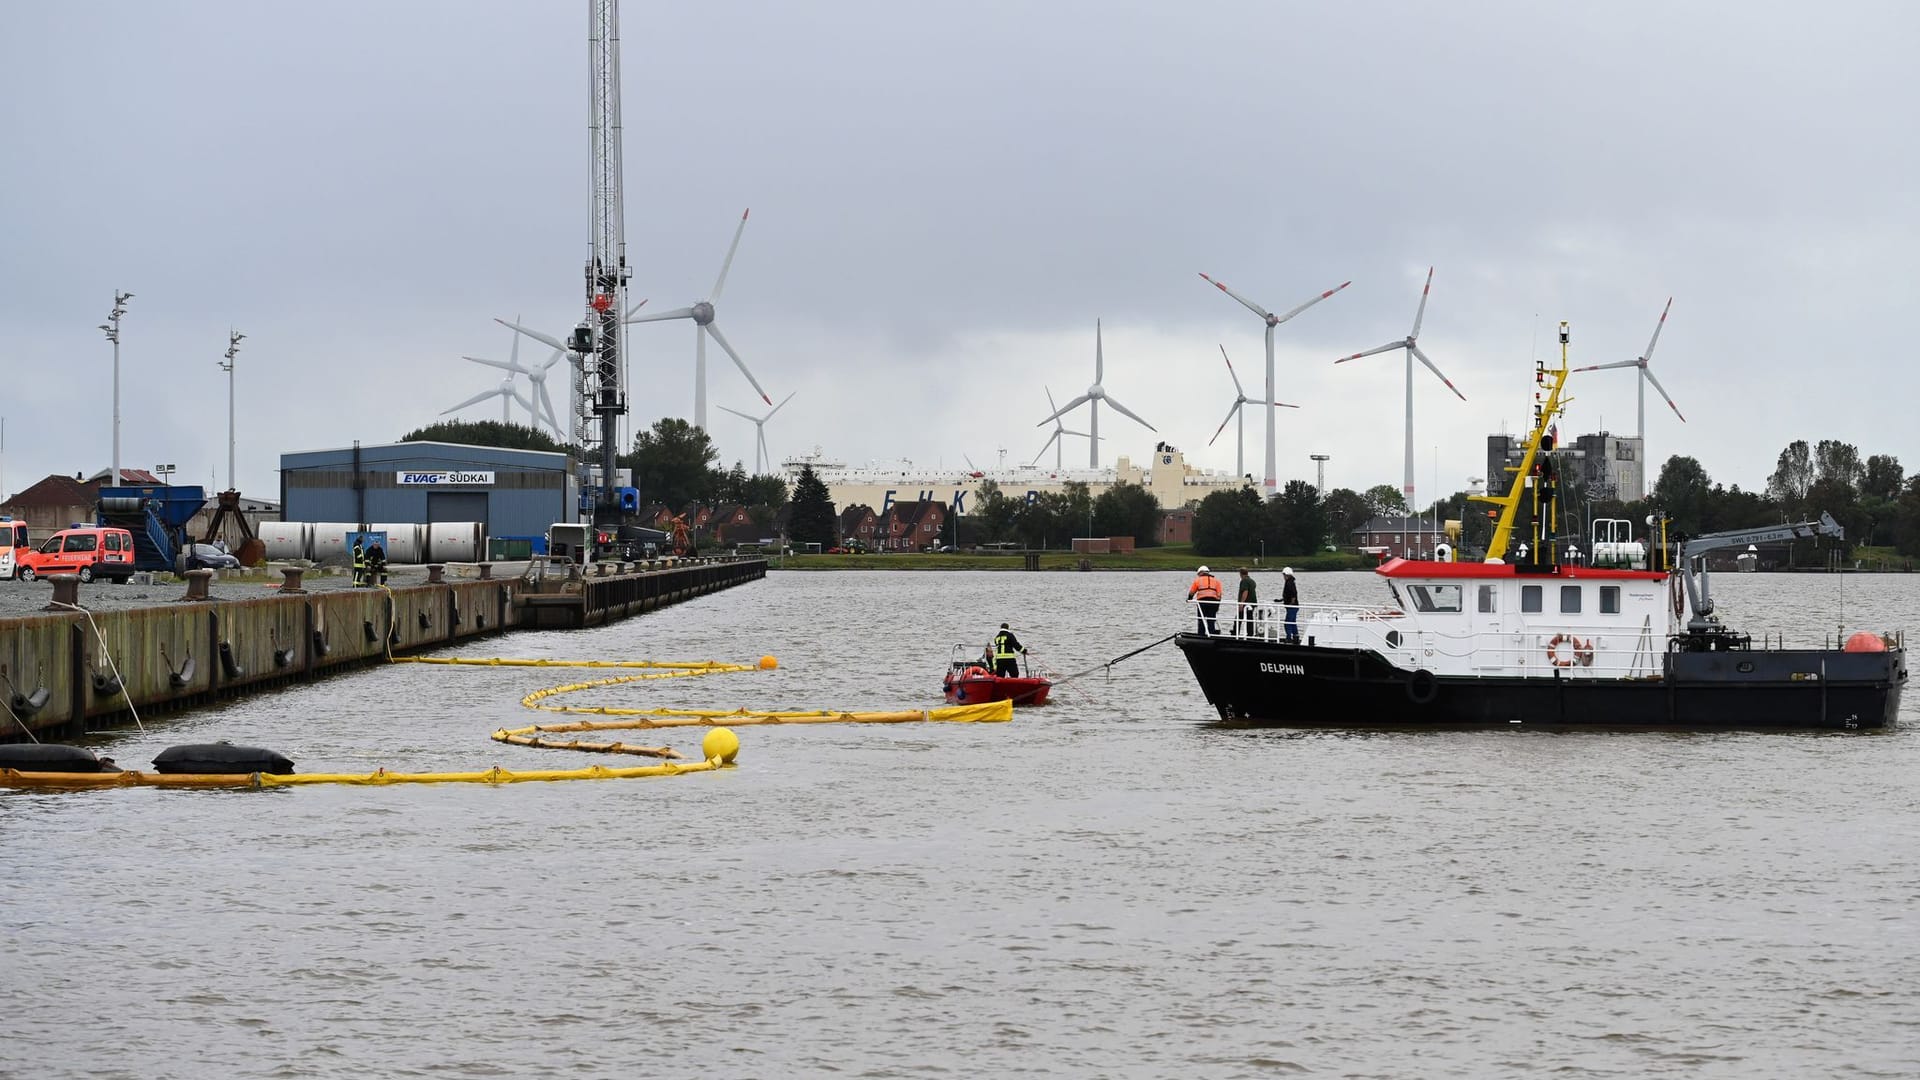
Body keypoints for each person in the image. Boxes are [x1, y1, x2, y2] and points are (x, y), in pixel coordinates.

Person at [1187, 565, 1223, 635]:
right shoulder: (1217, 581)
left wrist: (1189, 599)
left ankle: (1201, 634)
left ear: (1201, 573)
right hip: (1213, 602)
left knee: (1201, 619)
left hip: (1202, 602)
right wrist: (1217, 606)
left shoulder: (1197, 580)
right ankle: (1212, 634)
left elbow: (1192, 592)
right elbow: (1219, 594)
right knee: (1211, 619)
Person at [1233, 568, 1257, 635]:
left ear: (1241, 574)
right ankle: (1250, 633)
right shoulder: (1252, 581)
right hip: (1252, 602)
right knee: (1249, 618)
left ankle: (1235, 632)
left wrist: (1241, 603)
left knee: (1238, 618)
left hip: (1246, 603)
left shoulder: (1244, 581)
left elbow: (1245, 592)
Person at [1281, 566, 1301, 644]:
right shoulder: (1291, 582)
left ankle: (1289, 638)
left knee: (1288, 623)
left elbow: (1293, 594)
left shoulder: (1289, 583)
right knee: (1292, 622)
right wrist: (1283, 599)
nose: (1283, 576)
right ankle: (1296, 637)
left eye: (1284, 575)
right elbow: (1290, 594)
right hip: (1294, 606)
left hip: (1292, 607)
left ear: (1287, 575)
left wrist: (1290, 604)